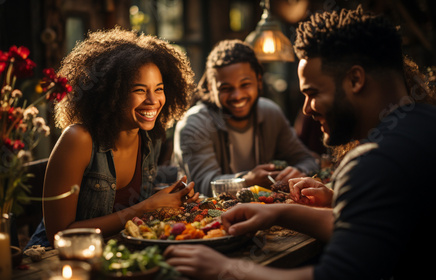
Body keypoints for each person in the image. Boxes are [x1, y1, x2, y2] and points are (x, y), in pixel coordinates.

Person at [165, 6, 436, 279]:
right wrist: (280, 213)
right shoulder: (426, 122)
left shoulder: (373, 162)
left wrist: (225, 268)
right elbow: (367, 229)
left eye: (312, 93)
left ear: (356, 79)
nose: (306, 109)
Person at [26, 27, 198, 247]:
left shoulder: (151, 137)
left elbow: (131, 205)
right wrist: (146, 207)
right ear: (111, 93)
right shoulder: (79, 139)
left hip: (115, 254)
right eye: (139, 90)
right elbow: (59, 235)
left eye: (159, 89)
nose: (153, 100)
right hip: (54, 262)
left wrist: (169, 199)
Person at [172, 39, 318, 196]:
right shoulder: (194, 123)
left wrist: (298, 171)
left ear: (259, 81)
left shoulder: (270, 113)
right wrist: (246, 181)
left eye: (245, 85)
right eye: (226, 88)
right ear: (210, 88)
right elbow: (201, 185)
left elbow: (308, 160)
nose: (237, 96)